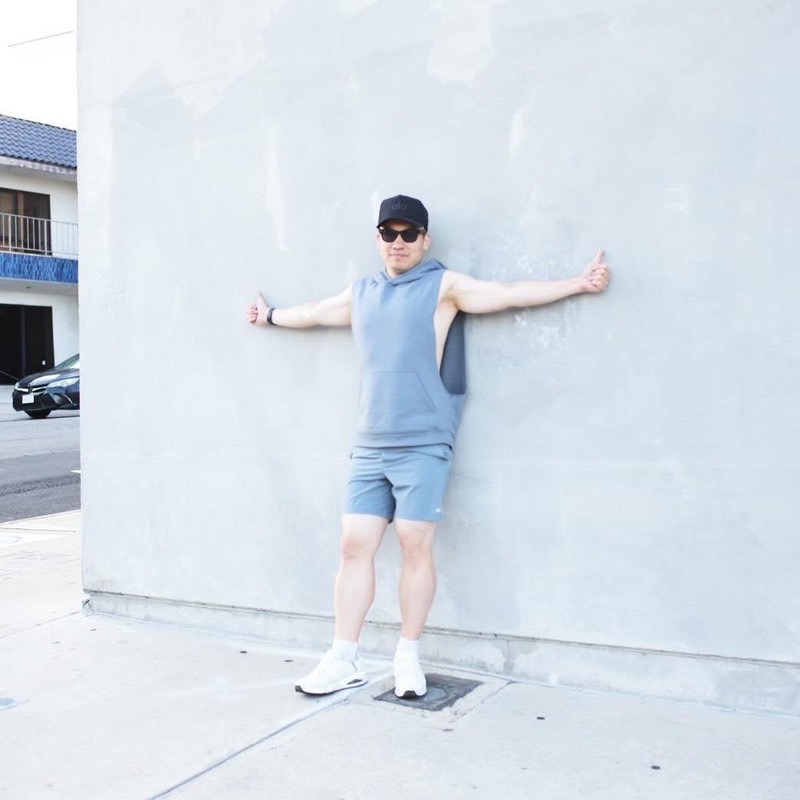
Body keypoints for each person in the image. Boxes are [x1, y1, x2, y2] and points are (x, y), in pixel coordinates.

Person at [246, 194, 610, 699]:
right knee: (353, 546)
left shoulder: (443, 287)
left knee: (415, 544)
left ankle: (407, 657)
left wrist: (577, 283)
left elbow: (507, 294)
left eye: (408, 234)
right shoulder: (362, 293)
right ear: (378, 239)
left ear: (424, 239)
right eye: (389, 233)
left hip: (423, 443)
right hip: (370, 444)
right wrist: (269, 315)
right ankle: (343, 658)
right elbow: (313, 312)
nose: (398, 242)